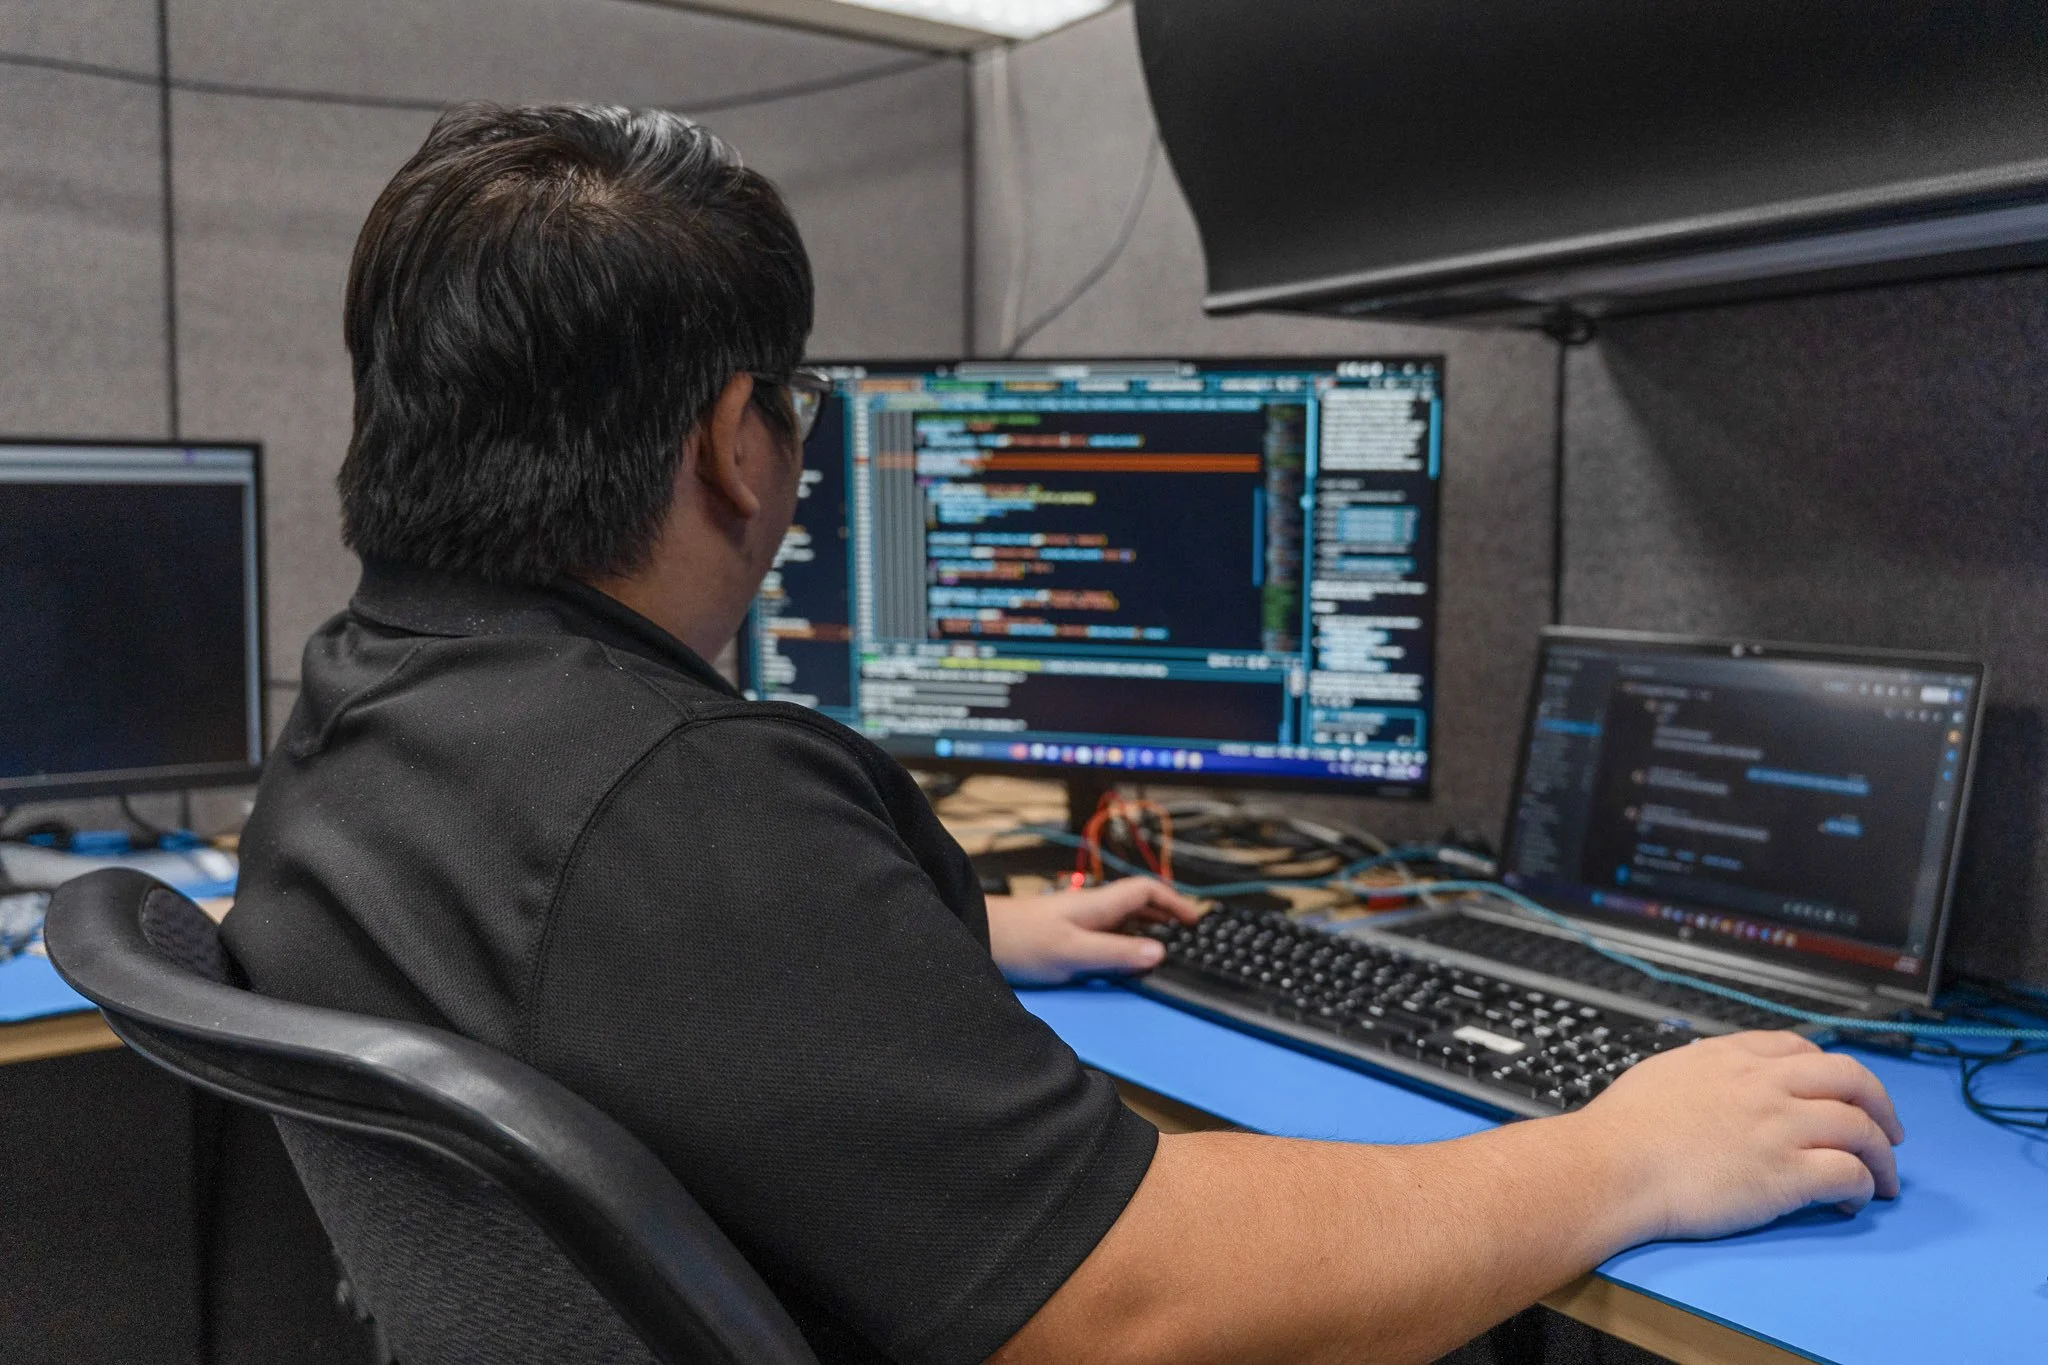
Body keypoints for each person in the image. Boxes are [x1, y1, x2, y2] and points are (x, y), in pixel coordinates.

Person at [224, 104, 1904, 1365]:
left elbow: (606, 968)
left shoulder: (370, 702)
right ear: (737, 445)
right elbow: (1129, 1295)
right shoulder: (668, 793)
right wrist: (1618, 1158)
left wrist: (954, 928)